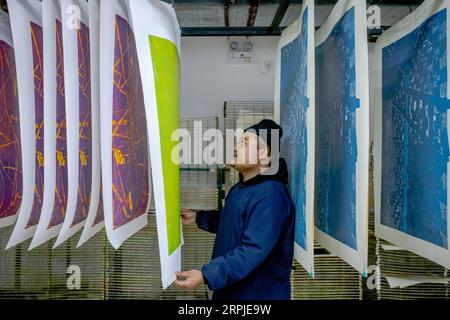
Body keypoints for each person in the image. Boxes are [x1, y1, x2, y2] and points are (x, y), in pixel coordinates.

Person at [175, 119, 295, 300]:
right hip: (232, 291)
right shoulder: (241, 188)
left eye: (244, 142)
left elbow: (253, 249)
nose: (235, 147)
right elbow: (234, 221)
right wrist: (197, 217)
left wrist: (206, 275)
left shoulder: (271, 195)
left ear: (263, 154)